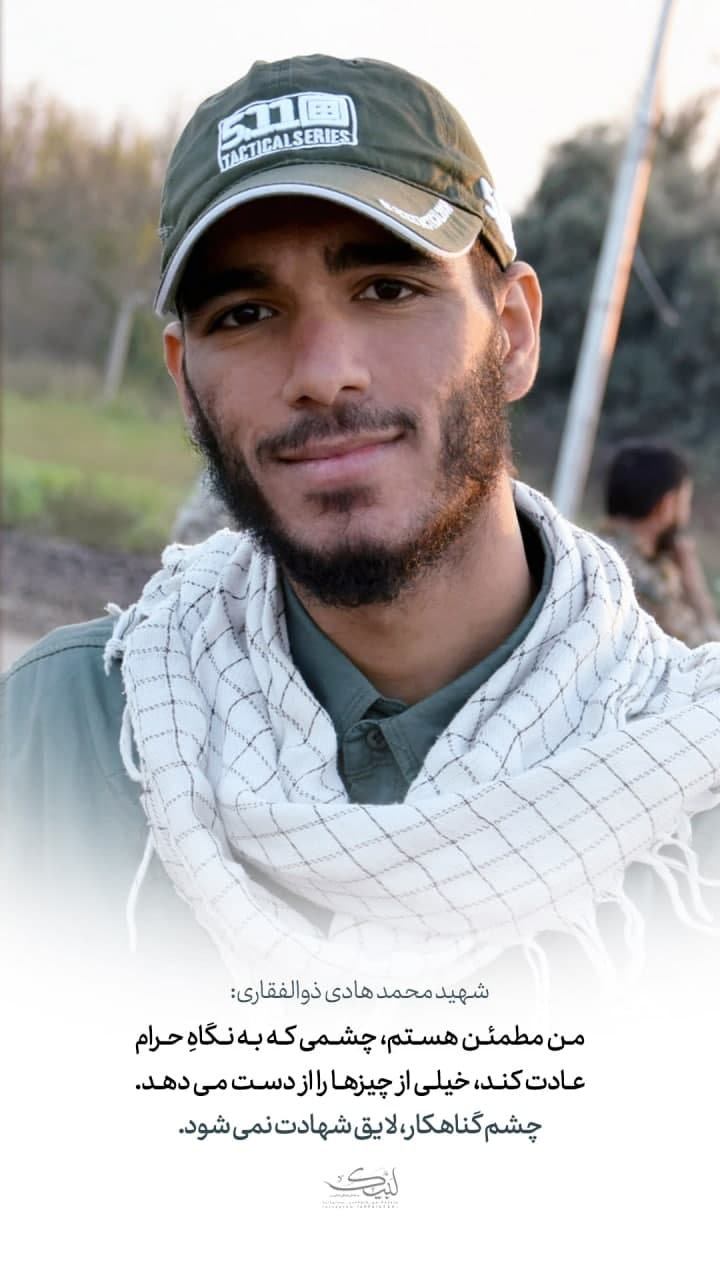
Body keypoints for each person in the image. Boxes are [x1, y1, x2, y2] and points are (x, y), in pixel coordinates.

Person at [3, 54, 720, 986]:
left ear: (512, 331)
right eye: (246, 312)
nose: (322, 371)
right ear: (186, 387)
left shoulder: (689, 777)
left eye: (387, 289)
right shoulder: (62, 737)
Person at [600, 442, 720, 647]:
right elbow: (706, 653)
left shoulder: (596, 549)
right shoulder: (647, 581)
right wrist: (694, 587)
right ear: (666, 506)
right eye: (685, 502)